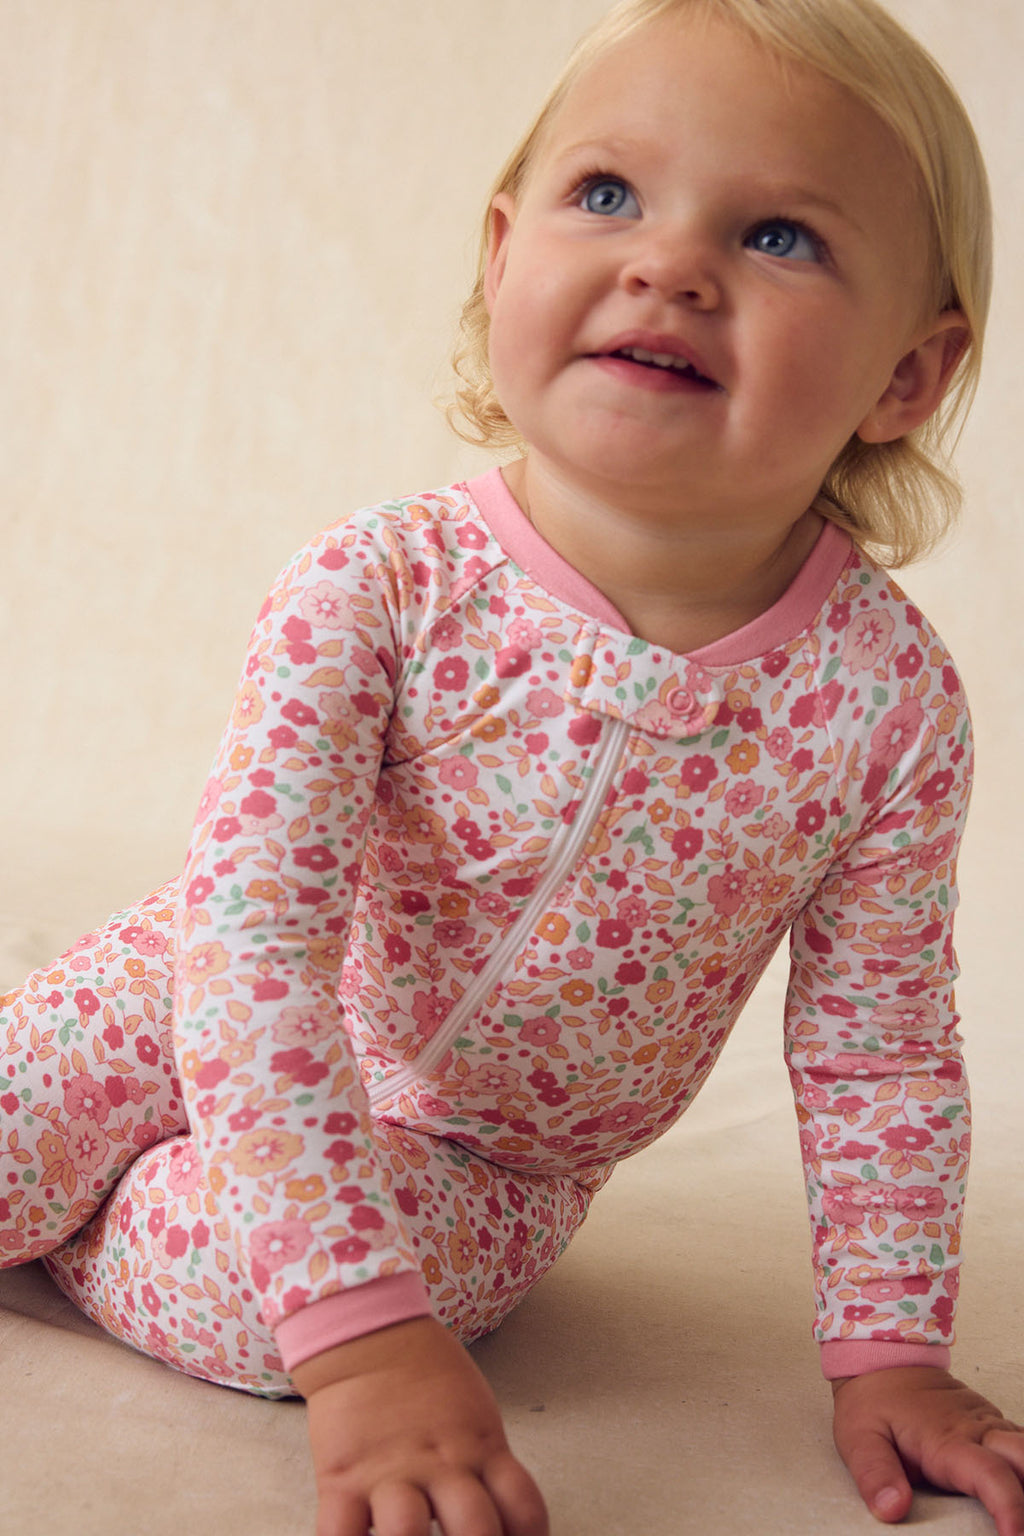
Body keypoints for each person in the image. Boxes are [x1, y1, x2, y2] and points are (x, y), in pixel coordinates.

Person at [2, 0, 1022, 1531]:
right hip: (206, 993)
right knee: (29, 1108)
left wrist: (892, 1351)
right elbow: (253, 934)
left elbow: (878, 1053)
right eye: (607, 195)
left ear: (906, 377)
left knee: (247, 1292)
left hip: (486, 1164)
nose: (668, 264)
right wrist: (350, 1310)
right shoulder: (380, 584)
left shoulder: (884, 706)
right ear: (500, 257)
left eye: (780, 237)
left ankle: (104, 1224)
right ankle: (93, 1165)